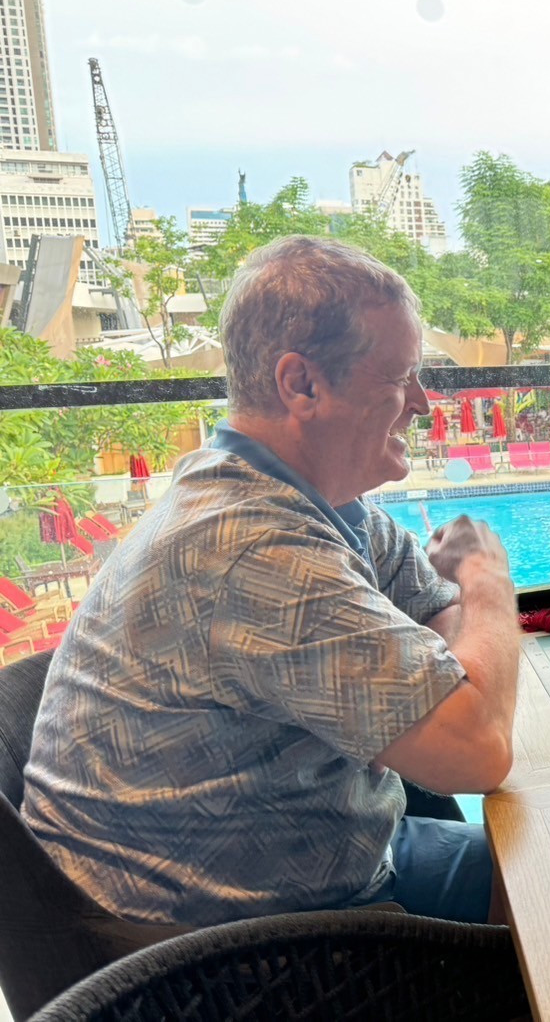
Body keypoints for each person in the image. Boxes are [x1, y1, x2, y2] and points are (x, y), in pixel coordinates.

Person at [23, 235, 524, 925]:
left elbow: (434, 606)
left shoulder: (310, 500)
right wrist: (489, 579)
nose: (423, 404)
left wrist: (453, 671)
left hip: (325, 857)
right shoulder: (251, 546)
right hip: (230, 948)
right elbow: (478, 752)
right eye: (400, 377)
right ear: (302, 385)